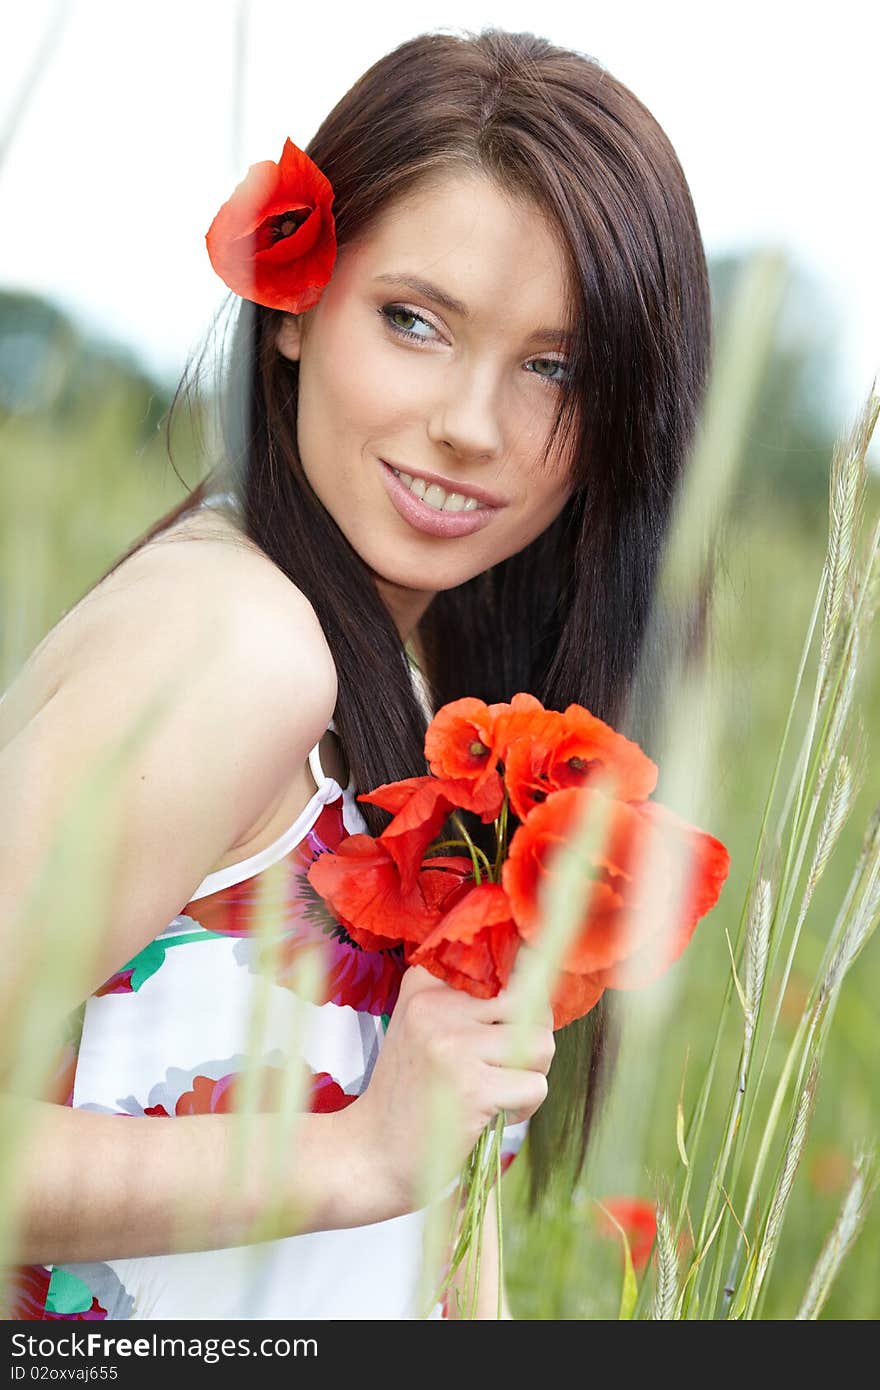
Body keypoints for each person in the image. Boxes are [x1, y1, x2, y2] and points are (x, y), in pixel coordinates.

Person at [0, 26, 712, 1320]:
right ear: (291, 302)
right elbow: (374, 1161)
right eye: (413, 320)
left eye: (554, 367)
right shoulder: (238, 647)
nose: (472, 422)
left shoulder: (401, 699)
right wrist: (351, 1153)